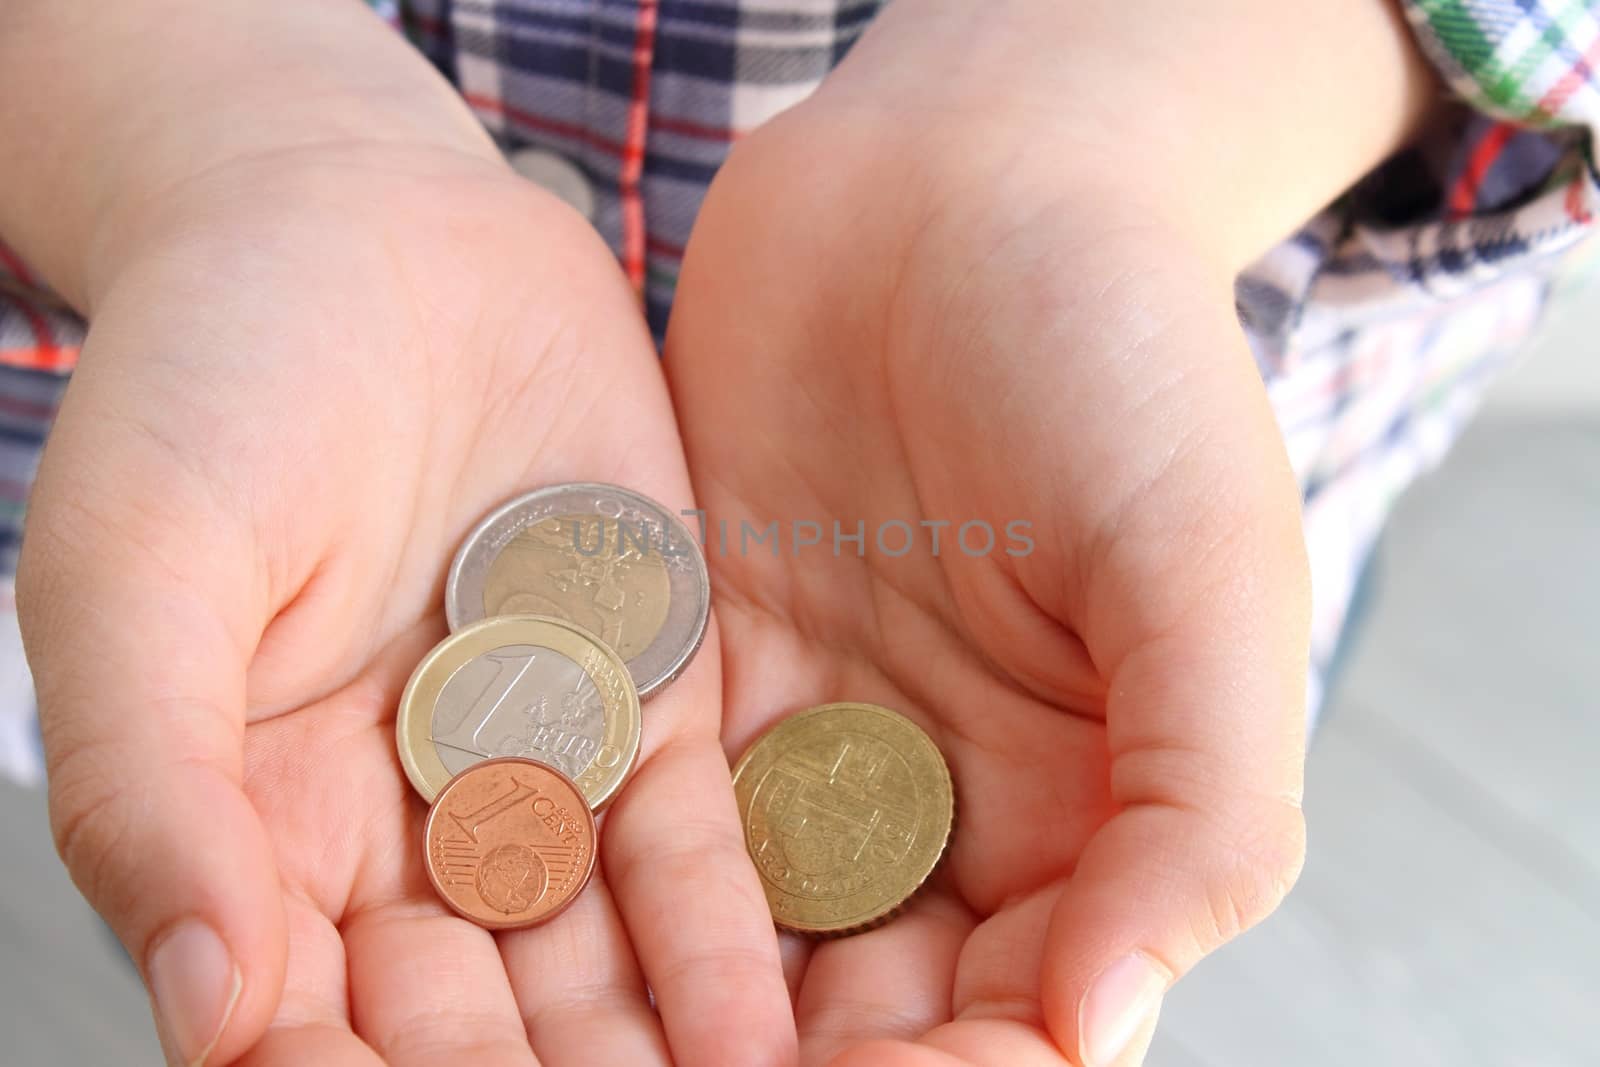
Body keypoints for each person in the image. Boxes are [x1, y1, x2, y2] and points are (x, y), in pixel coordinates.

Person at [0, 2, 1594, 1065]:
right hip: (284, 594)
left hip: (1062, 601)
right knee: (240, 859)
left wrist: (1079, 136)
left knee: (1107, 834)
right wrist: (205, 132)